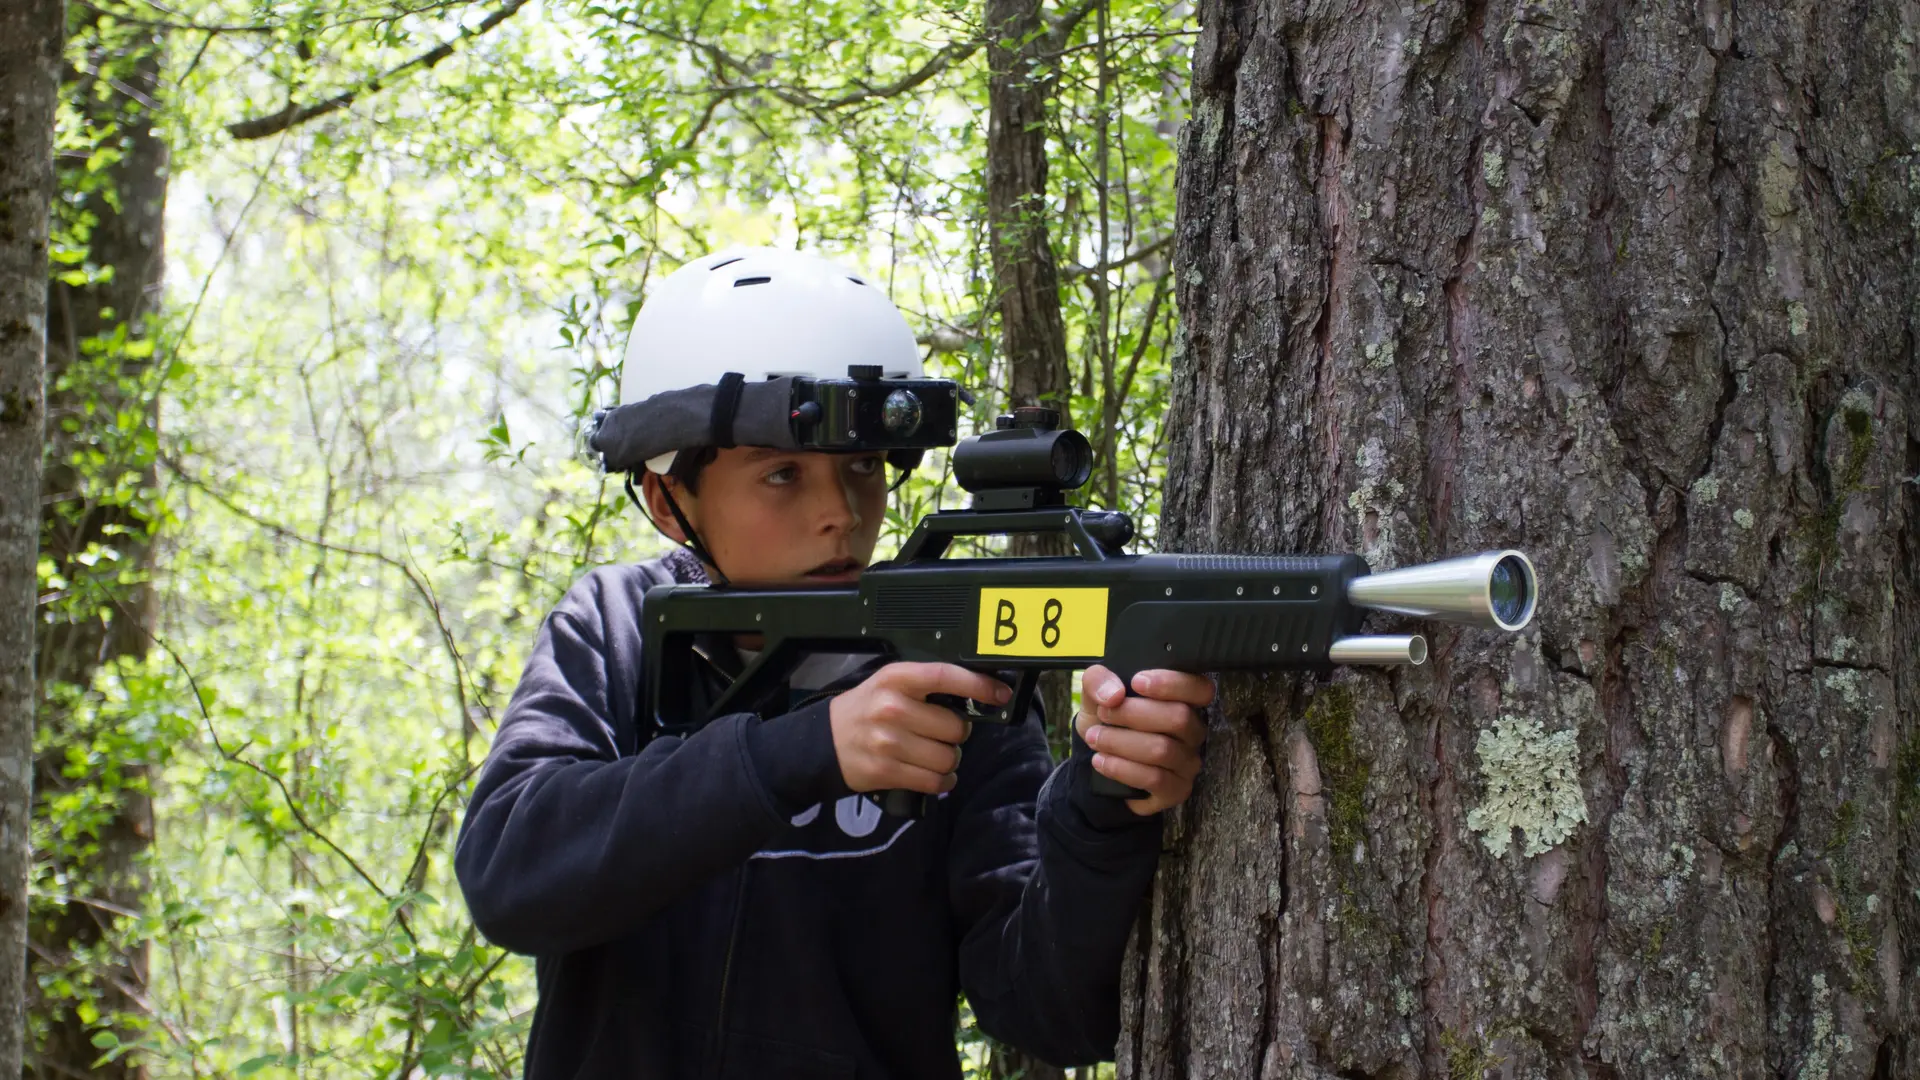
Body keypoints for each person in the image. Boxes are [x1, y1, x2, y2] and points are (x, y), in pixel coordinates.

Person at [454, 248, 1213, 1079]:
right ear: (671, 500)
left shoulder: (953, 667)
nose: (840, 515)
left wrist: (1102, 803)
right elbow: (509, 873)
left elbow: (1046, 1012)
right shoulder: (617, 628)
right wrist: (803, 751)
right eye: (782, 473)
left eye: (862, 469)